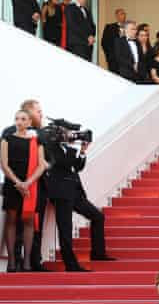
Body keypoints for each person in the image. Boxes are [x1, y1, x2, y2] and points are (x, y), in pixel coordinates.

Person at [43, 135, 113, 271]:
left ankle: (98, 253)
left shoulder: (68, 148)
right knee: (65, 229)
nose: (71, 135)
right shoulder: (51, 147)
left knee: (98, 216)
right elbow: (62, 162)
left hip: (75, 192)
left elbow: (77, 166)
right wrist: (71, 146)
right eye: (67, 132)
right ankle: (71, 265)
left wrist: (82, 151)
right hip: (61, 194)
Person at [1, 110, 46, 272]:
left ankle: (26, 262)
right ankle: (12, 262)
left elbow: (42, 165)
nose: (19, 121)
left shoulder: (36, 141)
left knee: (28, 222)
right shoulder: (6, 139)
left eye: (23, 119)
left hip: (30, 186)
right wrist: (18, 183)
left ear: (29, 122)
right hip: (13, 185)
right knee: (11, 221)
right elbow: (4, 165)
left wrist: (27, 183)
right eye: (17, 119)